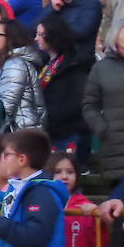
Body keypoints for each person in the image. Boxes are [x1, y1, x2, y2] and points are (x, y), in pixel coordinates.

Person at [83, 20, 124, 184]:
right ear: (116, 37)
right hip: (117, 149)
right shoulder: (102, 68)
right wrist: (102, 128)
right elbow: (89, 106)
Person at [35, 15, 93, 155]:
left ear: (54, 36)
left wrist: (47, 119)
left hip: (68, 134)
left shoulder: (74, 65)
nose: (36, 39)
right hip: (49, 132)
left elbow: (76, 102)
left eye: (41, 34)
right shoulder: (45, 62)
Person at [0, 19, 44, 132]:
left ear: (10, 38)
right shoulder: (3, 64)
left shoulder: (14, 65)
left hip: (19, 136)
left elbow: (5, 108)